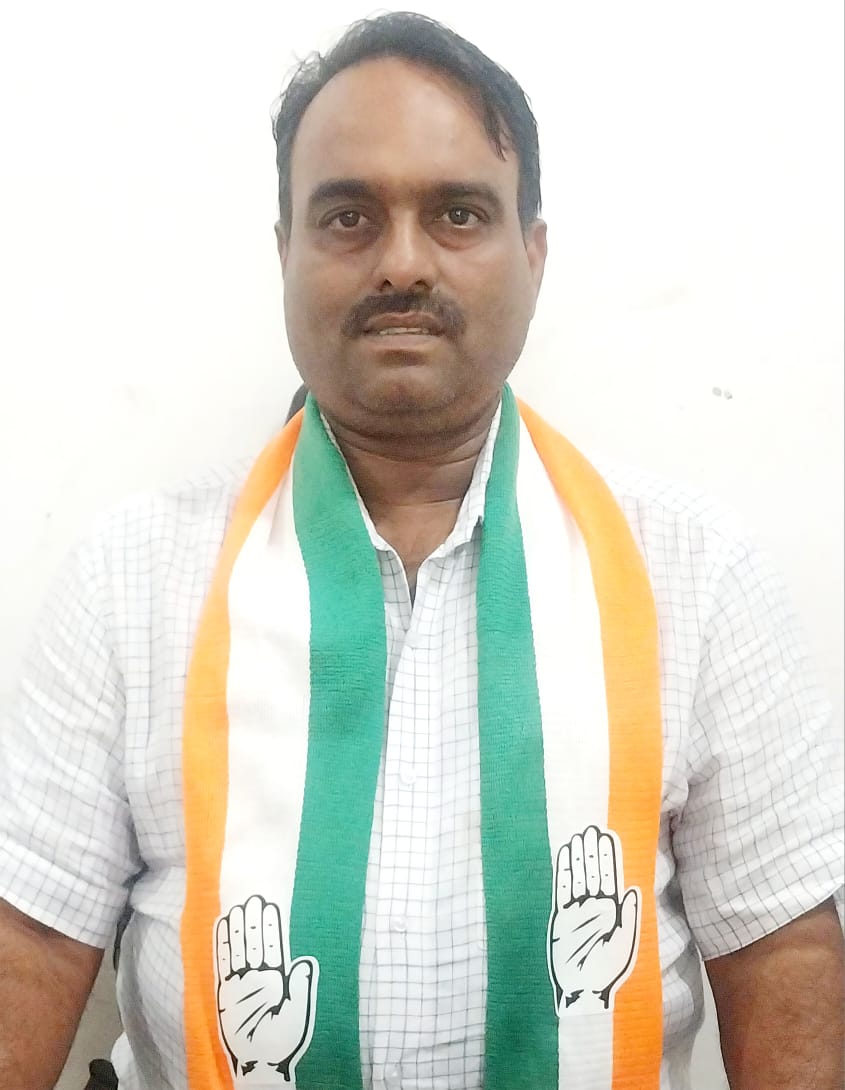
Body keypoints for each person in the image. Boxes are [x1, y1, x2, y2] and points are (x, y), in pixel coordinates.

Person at [0, 11, 842, 1090]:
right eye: (348, 216)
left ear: (531, 254)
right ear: (286, 252)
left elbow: (780, 948)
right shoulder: (129, 578)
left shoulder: (699, 574)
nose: (401, 263)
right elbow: (31, 939)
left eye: (457, 213)